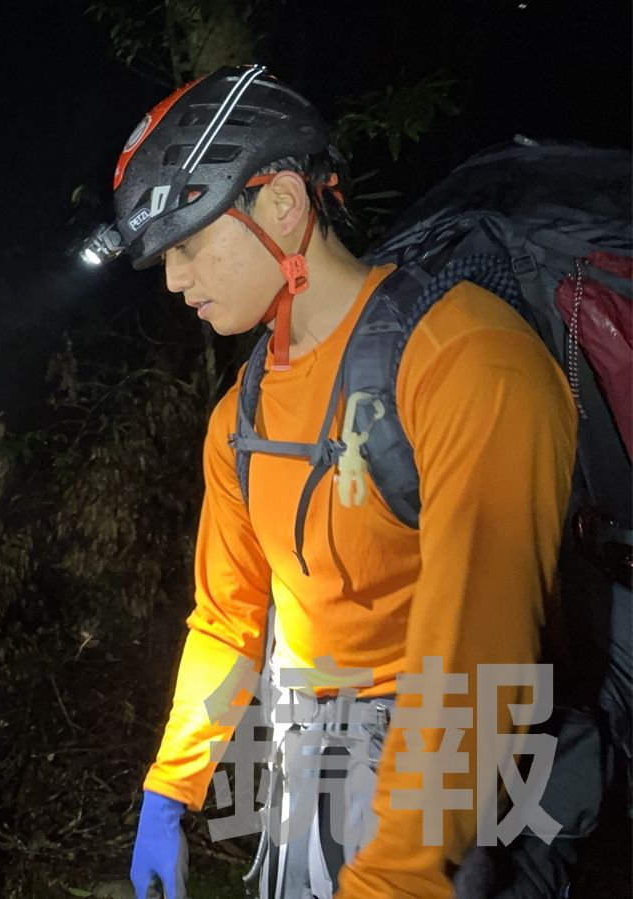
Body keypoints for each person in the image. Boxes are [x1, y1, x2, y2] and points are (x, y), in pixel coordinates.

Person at [110, 67, 578, 897]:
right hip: (305, 762)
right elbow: (228, 622)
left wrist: (398, 874)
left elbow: (477, 659)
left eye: (187, 244)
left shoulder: (467, 362)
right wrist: (170, 786)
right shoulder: (239, 421)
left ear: (283, 204)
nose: (174, 280)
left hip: (448, 792)